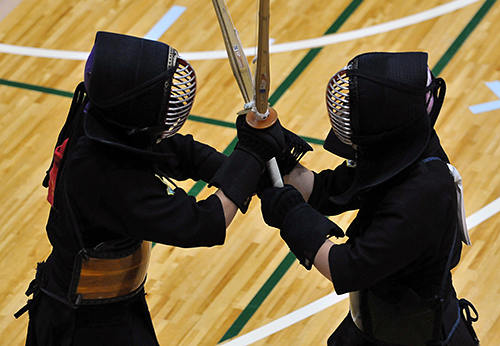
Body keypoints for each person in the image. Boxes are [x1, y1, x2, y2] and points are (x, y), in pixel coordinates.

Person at [15, 31, 287, 345]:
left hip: (114, 306)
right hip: (83, 326)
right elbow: (202, 223)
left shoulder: (105, 120)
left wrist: (247, 171)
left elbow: (180, 153)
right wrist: (250, 157)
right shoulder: (104, 175)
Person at [252, 52, 480, 345]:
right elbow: (325, 190)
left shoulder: (423, 196)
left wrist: (292, 216)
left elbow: (348, 268)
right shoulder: (402, 149)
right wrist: (278, 156)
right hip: (375, 327)